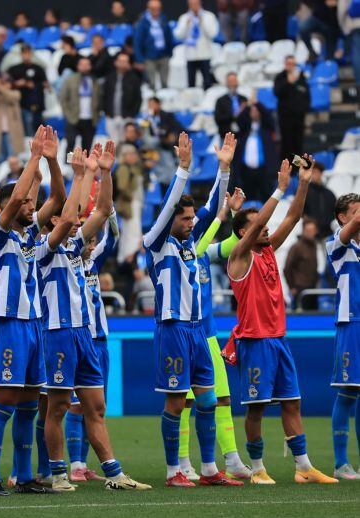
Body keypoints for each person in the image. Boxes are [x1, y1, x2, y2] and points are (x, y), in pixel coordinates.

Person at [40, 141, 150, 493]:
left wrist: (104, 172)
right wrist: (80, 174)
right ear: (52, 221)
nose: (73, 223)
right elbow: (73, 215)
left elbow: (102, 211)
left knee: (96, 407)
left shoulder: (74, 247)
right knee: (57, 407)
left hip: (83, 335)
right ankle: (57, 472)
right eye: (63, 218)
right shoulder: (44, 250)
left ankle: (113, 473)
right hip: (57, 333)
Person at [226, 155, 337, 485]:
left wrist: (302, 184)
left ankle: (303, 467)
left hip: (278, 338)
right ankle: (257, 467)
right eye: (258, 225)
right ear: (245, 231)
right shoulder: (239, 256)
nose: (267, 229)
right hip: (255, 341)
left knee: (292, 402)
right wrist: (279, 189)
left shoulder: (268, 251)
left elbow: (293, 215)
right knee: (257, 407)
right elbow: (264, 221)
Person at [144, 131, 244, 488]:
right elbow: (172, 205)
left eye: (190, 220)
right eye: (184, 219)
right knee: (175, 404)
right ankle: (174, 471)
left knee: (206, 401)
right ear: (171, 219)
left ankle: (208, 469)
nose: (190, 223)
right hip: (172, 330)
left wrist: (224, 169)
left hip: (197, 331)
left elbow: (214, 206)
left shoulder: (190, 247)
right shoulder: (157, 244)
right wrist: (183, 169)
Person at [178, 188, 252, 481]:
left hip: (208, 336)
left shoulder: (205, 253)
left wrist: (234, 214)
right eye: (189, 217)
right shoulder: (183, 251)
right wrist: (219, 215)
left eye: (195, 216)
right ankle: (183, 461)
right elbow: (199, 246)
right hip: (182, 336)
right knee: (182, 402)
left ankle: (231, 458)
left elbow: (236, 243)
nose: (193, 220)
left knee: (222, 397)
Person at [72, 196, 120, 481]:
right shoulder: (68, 262)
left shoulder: (93, 265)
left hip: (100, 342)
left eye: (92, 243)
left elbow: (114, 236)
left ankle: (83, 464)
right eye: (87, 243)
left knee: (98, 405)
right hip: (80, 339)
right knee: (78, 405)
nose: (91, 247)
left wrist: (110, 211)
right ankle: (76, 464)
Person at [327, 192, 360, 479]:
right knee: (348, 392)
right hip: (351, 324)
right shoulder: (338, 244)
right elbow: (349, 234)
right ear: (343, 217)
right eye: (356, 210)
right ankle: (340, 463)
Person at [233, 101, 276, 202]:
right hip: (246, 171)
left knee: (266, 198)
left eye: (256, 111)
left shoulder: (266, 128)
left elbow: (269, 117)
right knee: (248, 199)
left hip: (264, 170)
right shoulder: (245, 128)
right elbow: (239, 119)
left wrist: (257, 104)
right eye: (252, 111)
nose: (254, 112)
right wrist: (248, 106)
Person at [174, 0, 218, 89]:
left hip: (205, 54)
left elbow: (213, 34)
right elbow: (178, 35)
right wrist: (186, 24)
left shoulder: (209, 16)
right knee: (191, 83)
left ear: (200, 4)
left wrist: (202, 22)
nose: (194, 6)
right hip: (190, 55)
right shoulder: (184, 18)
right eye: (192, 4)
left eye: (196, 4)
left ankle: (207, 100)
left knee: (207, 82)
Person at [273, 56, 310, 161]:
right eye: (288, 63)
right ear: (285, 64)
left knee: (298, 143)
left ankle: (296, 168)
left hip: (298, 117)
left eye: (292, 64)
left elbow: (306, 96)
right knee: (286, 143)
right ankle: (286, 167)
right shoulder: (280, 77)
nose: (290, 66)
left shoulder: (301, 78)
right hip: (285, 118)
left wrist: (304, 110)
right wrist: (288, 83)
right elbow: (277, 92)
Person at [59, 57, 99, 152]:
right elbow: (63, 98)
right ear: (78, 66)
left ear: (90, 66)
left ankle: (85, 164)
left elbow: (99, 99)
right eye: (82, 65)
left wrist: (97, 114)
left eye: (87, 65)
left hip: (90, 118)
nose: (85, 67)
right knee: (70, 143)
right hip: (73, 117)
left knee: (87, 145)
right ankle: (67, 163)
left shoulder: (94, 80)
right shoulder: (70, 80)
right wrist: (67, 114)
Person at [101, 52, 142, 143]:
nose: (123, 64)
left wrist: (132, 114)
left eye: (125, 61)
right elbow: (104, 96)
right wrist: (106, 111)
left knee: (126, 142)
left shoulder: (134, 78)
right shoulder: (109, 77)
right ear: (116, 62)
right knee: (113, 143)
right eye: (121, 61)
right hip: (111, 115)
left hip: (127, 116)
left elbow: (138, 98)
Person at [7, 44, 48, 137]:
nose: (26, 55)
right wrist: (19, 84)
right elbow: (8, 84)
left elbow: (46, 84)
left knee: (41, 131)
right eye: (24, 53)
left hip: (37, 104)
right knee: (27, 131)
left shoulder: (38, 68)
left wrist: (36, 85)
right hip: (22, 105)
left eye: (28, 53)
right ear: (21, 54)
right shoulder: (14, 69)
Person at [134, 0, 175, 89]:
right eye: (153, 9)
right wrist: (140, 59)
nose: (156, 11)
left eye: (158, 9)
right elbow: (137, 42)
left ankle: (165, 101)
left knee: (165, 83)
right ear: (148, 9)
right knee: (151, 83)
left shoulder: (163, 19)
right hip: (149, 57)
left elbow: (169, 37)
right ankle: (152, 102)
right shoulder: (142, 22)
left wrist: (170, 52)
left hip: (164, 55)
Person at [0, 74, 24, 161]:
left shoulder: (15, 93)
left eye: (6, 82)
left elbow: (12, 97)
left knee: (12, 156)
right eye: (3, 83)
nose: (4, 85)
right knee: (0, 156)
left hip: (11, 130)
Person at [284, 219, 320, 309]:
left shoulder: (314, 245)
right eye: (308, 231)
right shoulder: (296, 247)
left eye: (313, 230)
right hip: (300, 289)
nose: (311, 233)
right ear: (303, 231)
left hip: (313, 288)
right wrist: (291, 287)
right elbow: (287, 268)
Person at [304, 162, 338, 239]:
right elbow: (301, 213)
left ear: (321, 173)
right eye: (312, 172)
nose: (314, 175)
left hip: (327, 232)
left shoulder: (329, 193)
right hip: (311, 234)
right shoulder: (304, 192)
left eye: (316, 172)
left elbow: (335, 211)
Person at [339, 0, 360, 83]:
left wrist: (344, 28)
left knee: (357, 54)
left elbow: (341, 10)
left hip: (355, 26)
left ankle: (359, 83)